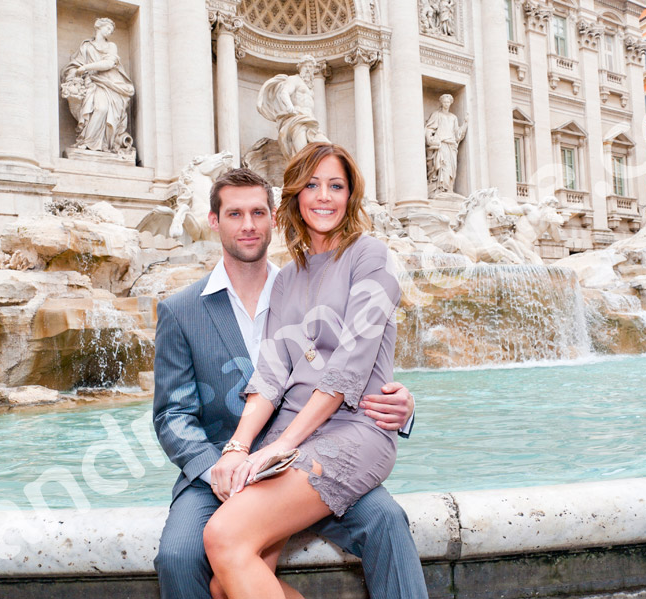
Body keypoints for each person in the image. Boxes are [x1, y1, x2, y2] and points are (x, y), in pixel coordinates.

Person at [152, 166, 427, 599]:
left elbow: (358, 363)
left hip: (321, 442)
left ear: (274, 217)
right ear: (213, 220)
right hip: (222, 464)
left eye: (258, 213)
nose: (248, 225)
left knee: (386, 519)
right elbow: (172, 415)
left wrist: (404, 407)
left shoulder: (300, 277)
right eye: (234, 214)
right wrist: (223, 464)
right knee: (180, 557)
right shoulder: (181, 310)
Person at [61, 18, 135, 156]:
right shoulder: (86, 46)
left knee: (103, 109)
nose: (110, 32)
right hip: (91, 83)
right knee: (98, 109)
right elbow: (75, 65)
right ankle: (87, 142)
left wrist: (85, 67)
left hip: (110, 83)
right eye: (108, 29)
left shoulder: (111, 46)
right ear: (98, 27)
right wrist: (74, 74)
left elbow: (108, 64)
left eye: (111, 31)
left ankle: (101, 144)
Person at [257, 55, 330, 159]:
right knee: (302, 154)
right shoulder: (294, 79)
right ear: (300, 67)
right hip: (297, 120)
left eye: (310, 67)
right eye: (306, 66)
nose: (308, 69)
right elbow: (284, 92)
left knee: (328, 148)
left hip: (310, 121)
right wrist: (290, 106)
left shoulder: (310, 87)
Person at [424, 93, 468, 195]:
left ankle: (449, 189)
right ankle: (441, 189)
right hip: (442, 144)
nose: (446, 104)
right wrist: (430, 139)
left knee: (452, 169)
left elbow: (458, 134)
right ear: (441, 102)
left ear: (451, 103)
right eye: (444, 102)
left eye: (448, 102)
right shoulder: (436, 115)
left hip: (451, 145)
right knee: (444, 166)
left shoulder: (453, 117)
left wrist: (465, 123)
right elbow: (429, 128)